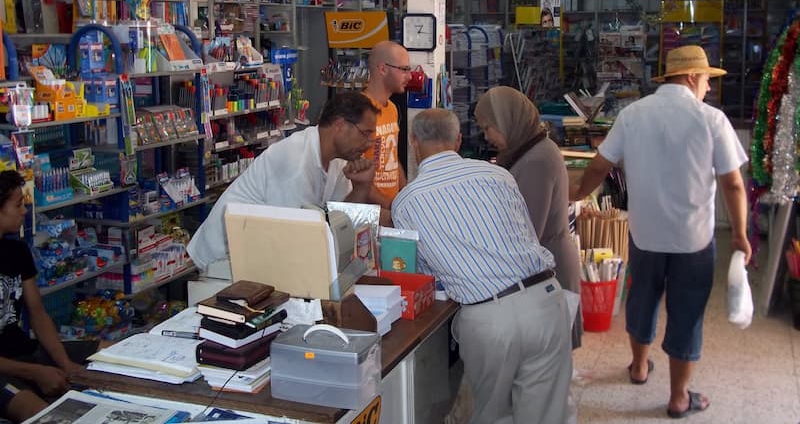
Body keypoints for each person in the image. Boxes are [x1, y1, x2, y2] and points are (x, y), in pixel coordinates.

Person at [570, 45, 750, 419]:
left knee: (642, 301)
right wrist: (740, 233)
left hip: (645, 235)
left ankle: (638, 366)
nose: (708, 89)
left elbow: (600, 165)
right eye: (705, 81)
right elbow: (733, 184)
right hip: (693, 240)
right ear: (690, 78)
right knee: (687, 314)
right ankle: (679, 397)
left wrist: (576, 195)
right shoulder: (711, 119)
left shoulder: (633, 115)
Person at [392, 109, 573, 424]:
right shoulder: (499, 175)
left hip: (489, 320)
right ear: (458, 140)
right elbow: (526, 237)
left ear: (414, 143)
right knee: (547, 416)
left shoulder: (407, 202)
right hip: (545, 299)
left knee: (490, 414)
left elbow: (423, 277)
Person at [187, 91, 380, 269]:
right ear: (340, 125)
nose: (369, 144)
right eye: (365, 134)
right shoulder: (294, 160)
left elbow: (342, 225)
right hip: (222, 261)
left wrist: (361, 187)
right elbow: (291, 243)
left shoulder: (338, 162)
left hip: (258, 256)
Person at [474, 86, 582, 349]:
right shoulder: (529, 149)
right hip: (543, 271)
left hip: (548, 274)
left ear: (507, 121)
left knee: (547, 372)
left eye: (489, 128)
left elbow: (528, 229)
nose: (487, 137)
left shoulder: (537, 160)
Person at [0, 170, 97, 422]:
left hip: (23, 351)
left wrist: (63, 362)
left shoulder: (16, 250)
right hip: (6, 368)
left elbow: (38, 313)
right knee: (46, 416)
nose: (24, 211)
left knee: (116, 353)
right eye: (18, 204)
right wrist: (36, 372)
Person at [362, 40, 409, 208]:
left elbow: (393, 159)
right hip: (373, 211)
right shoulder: (361, 110)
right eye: (403, 70)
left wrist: (406, 196)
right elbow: (354, 174)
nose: (409, 76)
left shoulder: (392, 109)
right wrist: (390, 207)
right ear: (383, 69)